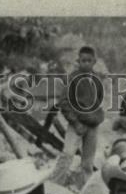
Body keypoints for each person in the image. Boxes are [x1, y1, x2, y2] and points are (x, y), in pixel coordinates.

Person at [43, 45, 105, 180]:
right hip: (76, 123)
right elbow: (64, 102)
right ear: (79, 61)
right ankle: (54, 185)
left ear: (94, 62)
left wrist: (93, 116)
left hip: (92, 125)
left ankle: (85, 191)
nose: (86, 64)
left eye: (89, 61)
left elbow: (99, 98)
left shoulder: (96, 79)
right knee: (67, 154)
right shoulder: (73, 78)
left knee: (88, 162)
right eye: (83, 61)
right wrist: (75, 122)